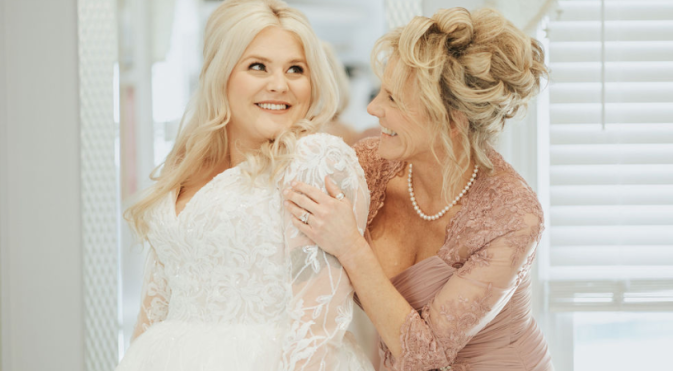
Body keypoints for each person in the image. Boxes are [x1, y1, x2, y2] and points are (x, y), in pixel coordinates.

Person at [284, 7, 553, 371]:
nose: (373, 107)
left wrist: (350, 245)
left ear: (453, 120)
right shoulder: (369, 167)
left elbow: (423, 357)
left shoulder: (514, 218)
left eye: (394, 99)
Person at [117, 0, 374, 370]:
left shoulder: (315, 160)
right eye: (258, 66)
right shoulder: (185, 163)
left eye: (296, 69)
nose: (280, 85)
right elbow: (154, 308)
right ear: (221, 72)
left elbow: (317, 325)